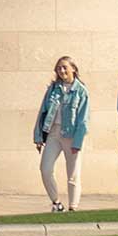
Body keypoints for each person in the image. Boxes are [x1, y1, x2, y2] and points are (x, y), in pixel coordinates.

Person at [33, 56, 89, 213]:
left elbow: (83, 120)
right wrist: (38, 137)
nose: (62, 71)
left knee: (73, 175)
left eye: (65, 67)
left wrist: (77, 142)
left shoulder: (81, 91)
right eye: (59, 68)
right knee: (45, 168)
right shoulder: (53, 89)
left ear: (73, 69)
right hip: (53, 134)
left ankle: (73, 207)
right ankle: (56, 202)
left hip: (72, 135)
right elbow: (43, 112)